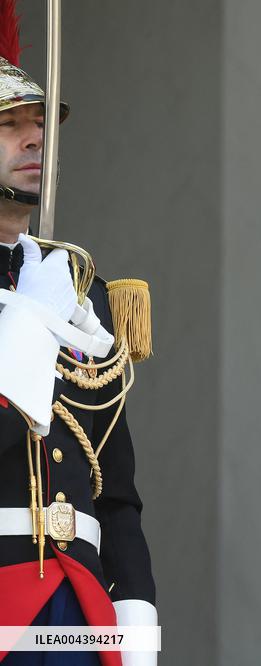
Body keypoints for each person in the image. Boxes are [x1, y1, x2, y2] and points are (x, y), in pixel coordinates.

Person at [0, 37, 156, 666]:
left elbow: (115, 492)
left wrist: (137, 623)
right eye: (10, 125)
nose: (36, 139)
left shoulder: (76, 294)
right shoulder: (46, 305)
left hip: (82, 617)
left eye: (41, 124)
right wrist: (28, 323)